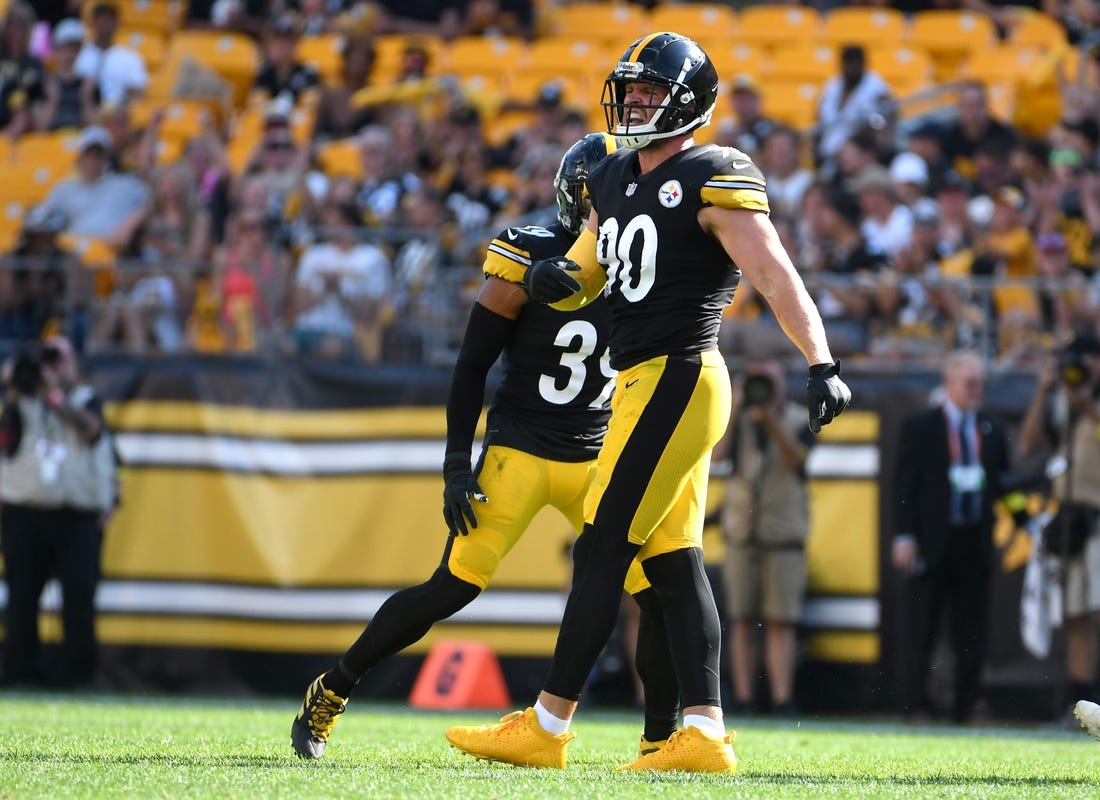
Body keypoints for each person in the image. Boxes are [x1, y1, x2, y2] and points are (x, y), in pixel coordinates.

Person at [445, 31, 850, 774]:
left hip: (679, 373)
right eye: (628, 92)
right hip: (647, 379)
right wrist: (549, 282)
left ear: (688, 101)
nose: (634, 103)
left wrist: (819, 360)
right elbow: (585, 270)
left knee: (601, 545)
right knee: (672, 560)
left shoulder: (712, 172)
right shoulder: (614, 176)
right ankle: (701, 731)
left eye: (649, 92)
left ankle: (547, 723)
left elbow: (774, 273)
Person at [289, 132, 682, 762]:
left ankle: (661, 738)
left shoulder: (648, 262)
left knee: (653, 591)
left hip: (599, 452)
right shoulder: (528, 255)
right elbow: (471, 365)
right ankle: (332, 687)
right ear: (580, 197)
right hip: (522, 446)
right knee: (453, 585)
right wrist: (454, 463)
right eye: (609, 195)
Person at [891, 349, 1010, 724]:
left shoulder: (991, 429)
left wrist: (1026, 521)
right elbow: (904, 486)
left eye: (980, 384)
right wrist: (904, 535)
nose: (976, 390)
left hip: (973, 540)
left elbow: (1004, 485)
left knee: (972, 633)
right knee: (922, 628)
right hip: (931, 540)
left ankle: (968, 705)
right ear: (950, 383)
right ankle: (916, 705)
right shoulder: (922, 426)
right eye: (969, 383)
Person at [0, 336, 117, 689]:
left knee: (78, 598)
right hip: (25, 512)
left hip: (74, 516)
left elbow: (91, 430)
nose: (51, 367)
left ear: (74, 364)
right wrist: (13, 385)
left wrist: (56, 397)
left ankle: (78, 677)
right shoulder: (21, 402)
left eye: (58, 358)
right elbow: (7, 439)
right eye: (45, 360)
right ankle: (20, 674)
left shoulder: (85, 400)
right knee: (21, 597)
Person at [719, 361, 815, 717]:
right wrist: (736, 407)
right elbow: (717, 455)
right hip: (741, 534)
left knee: (780, 620)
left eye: (769, 382)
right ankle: (743, 699)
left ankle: (782, 699)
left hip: (783, 534)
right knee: (741, 618)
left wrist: (770, 422)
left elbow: (799, 462)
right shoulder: (738, 419)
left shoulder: (799, 419)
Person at [1018, 335, 1100, 721]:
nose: (1082, 369)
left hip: (1098, 514)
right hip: (1072, 520)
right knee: (1076, 614)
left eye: (1087, 361)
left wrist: (1086, 405)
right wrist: (1043, 392)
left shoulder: (1088, 403)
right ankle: (1080, 709)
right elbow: (1029, 444)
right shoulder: (1062, 403)